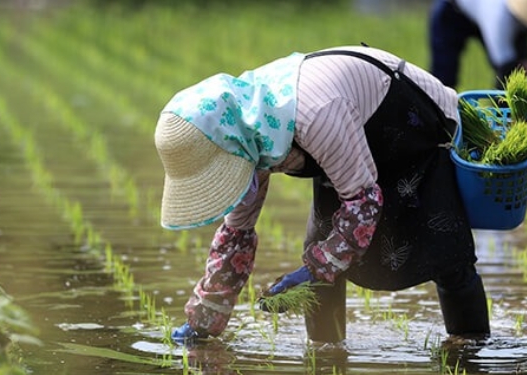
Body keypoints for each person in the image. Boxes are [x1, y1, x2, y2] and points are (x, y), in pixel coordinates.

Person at [154, 45, 490, 344]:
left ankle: (472, 348)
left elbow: (362, 205)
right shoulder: (249, 135)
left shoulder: (315, 115)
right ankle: (326, 355)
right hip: (349, 140)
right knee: (322, 247)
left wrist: (313, 271)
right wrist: (203, 322)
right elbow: (236, 235)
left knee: (445, 250)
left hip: (409, 123)